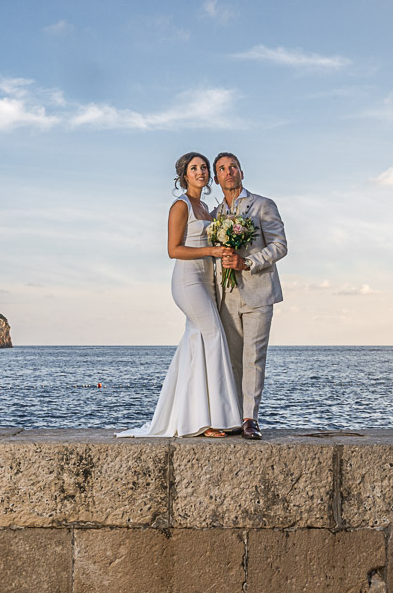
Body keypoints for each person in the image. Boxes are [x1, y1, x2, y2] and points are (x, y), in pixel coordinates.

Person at [117, 153, 243, 438]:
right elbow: (173, 250)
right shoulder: (181, 205)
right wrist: (211, 250)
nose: (200, 172)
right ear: (184, 175)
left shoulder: (208, 209)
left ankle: (192, 418)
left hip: (207, 280)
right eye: (194, 168)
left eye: (203, 168)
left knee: (196, 342)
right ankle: (215, 420)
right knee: (213, 335)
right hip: (187, 280)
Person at [213, 152, 288, 440]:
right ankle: (233, 416)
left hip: (259, 291)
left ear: (241, 172)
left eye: (233, 167)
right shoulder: (215, 214)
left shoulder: (263, 205)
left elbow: (280, 246)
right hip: (226, 296)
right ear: (217, 178)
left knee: (253, 357)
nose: (228, 172)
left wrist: (248, 262)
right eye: (222, 168)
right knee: (231, 359)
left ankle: (250, 419)